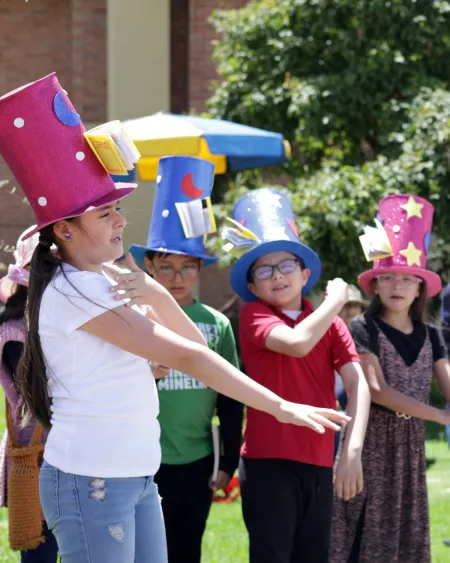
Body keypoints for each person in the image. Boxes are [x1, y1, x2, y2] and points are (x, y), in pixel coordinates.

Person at [0, 74, 349, 563]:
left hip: (134, 475)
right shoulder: (73, 288)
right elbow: (187, 354)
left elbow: (194, 348)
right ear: (66, 230)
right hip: (93, 480)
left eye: (117, 209)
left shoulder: (100, 282)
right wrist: (280, 406)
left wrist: (157, 292)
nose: (122, 220)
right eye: (105, 215)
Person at [222, 188, 371, 563]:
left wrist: (351, 452)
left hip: (320, 461)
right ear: (252, 286)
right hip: (267, 462)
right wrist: (335, 301)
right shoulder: (254, 316)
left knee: (314, 555)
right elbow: (297, 343)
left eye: (286, 265)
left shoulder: (332, 325)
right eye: (264, 270)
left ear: (305, 274)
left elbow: (358, 385)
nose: (277, 276)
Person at [128, 155, 243, 563]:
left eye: (187, 267)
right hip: (142, 458)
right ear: (149, 266)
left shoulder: (216, 325)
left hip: (197, 461)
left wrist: (228, 460)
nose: (178, 278)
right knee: (144, 552)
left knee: (187, 549)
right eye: (167, 267)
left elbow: (230, 397)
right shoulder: (134, 318)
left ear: (198, 269)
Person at [331, 194, 450, 563]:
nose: (397, 285)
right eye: (388, 278)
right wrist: (439, 416)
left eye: (406, 278)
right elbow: (377, 391)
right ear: (375, 285)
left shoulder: (432, 335)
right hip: (369, 447)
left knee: (405, 541)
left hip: (410, 453)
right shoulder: (363, 327)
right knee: (360, 538)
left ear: (420, 288)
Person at [0, 226, 58, 563]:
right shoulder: (14, 331)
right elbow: (39, 394)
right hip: (37, 453)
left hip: (62, 448)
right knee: (41, 549)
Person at [334, 286, 368, 456]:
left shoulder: (368, 339)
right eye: (347, 306)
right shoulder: (328, 337)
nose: (352, 311)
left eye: (356, 305)